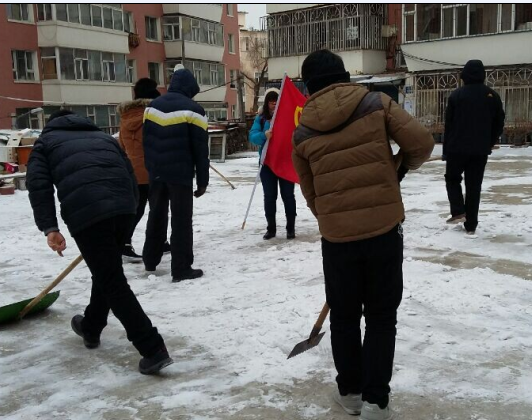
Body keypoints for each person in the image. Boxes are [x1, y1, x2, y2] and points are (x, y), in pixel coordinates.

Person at [292, 50, 434, 420]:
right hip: (384, 231)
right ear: (344, 76)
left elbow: (311, 194)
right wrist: (397, 169)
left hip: (337, 240)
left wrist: (335, 218)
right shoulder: (376, 103)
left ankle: (351, 394)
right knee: (381, 317)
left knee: (343, 316)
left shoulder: (301, 131)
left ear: (309, 87)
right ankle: (376, 401)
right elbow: (421, 143)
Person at [26, 110, 173, 375]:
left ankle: (153, 348)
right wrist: (127, 210)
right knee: (106, 272)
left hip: (88, 212)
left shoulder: (46, 142)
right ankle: (91, 327)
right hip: (124, 208)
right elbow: (129, 173)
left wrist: (50, 228)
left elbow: (39, 186)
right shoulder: (104, 138)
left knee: (112, 281)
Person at [142, 64, 209, 282]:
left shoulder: (152, 107)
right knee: (181, 221)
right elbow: (200, 150)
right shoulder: (194, 110)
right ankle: (181, 268)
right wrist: (202, 181)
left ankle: (150, 260)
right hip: (180, 175)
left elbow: (147, 143)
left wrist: (151, 169)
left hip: (157, 173)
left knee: (156, 215)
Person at [443, 59, 505, 234]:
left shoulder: (456, 95)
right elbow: (499, 123)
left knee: (452, 179)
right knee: (474, 186)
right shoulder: (492, 96)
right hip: (479, 150)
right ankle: (471, 225)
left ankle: (458, 211)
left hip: (457, 148)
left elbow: (449, 125)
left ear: (464, 75)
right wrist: (489, 142)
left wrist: (446, 151)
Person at [117, 78, 170, 261]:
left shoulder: (125, 117)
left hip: (132, 171)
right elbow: (159, 142)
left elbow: (121, 146)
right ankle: (158, 242)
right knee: (158, 209)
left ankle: (125, 242)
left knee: (136, 208)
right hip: (153, 169)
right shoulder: (152, 116)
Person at [249, 88, 297, 240]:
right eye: (270, 103)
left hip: (285, 162)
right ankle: (271, 228)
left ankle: (291, 228)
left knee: (288, 196)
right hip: (267, 164)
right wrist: (264, 135)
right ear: (266, 104)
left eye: (276, 102)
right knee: (270, 197)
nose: (273, 105)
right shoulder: (261, 119)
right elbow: (252, 136)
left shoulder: (288, 117)